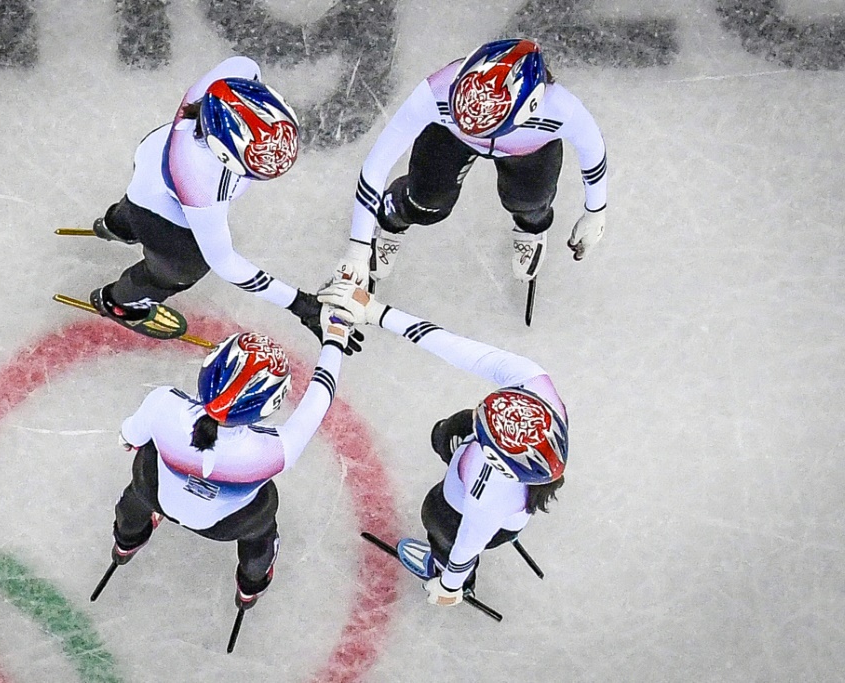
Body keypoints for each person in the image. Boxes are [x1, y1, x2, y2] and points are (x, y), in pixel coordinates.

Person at [319, 278, 568, 606]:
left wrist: (450, 584)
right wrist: (377, 312)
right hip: (481, 481)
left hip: (465, 511)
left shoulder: (488, 495)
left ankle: (438, 564)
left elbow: (466, 546)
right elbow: (457, 348)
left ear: (494, 460)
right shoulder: (533, 383)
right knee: (446, 432)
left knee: (437, 519)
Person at [89, 55, 357, 351]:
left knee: (139, 203)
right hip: (161, 209)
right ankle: (120, 302)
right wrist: (300, 304)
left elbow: (248, 68)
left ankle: (118, 224)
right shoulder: (200, 181)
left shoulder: (230, 80)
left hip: (151, 158)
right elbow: (225, 263)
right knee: (181, 268)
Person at [108, 306, 353, 611]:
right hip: (226, 526)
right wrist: (335, 336)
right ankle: (251, 584)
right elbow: (321, 396)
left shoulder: (163, 403)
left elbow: (129, 437)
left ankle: (127, 540)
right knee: (260, 530)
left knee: (141, 482)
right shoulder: (274, 451)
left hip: (157, 495)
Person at [333, 38, 608, 288]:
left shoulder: (563, 110)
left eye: (486, 125)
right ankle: (394, 215)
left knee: (529, 203)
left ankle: (530, 227)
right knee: (426, 203)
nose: (472, 128)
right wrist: (358, 248)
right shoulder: (437, 91)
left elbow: (593, 152)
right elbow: (376, 166)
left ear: (530, 107)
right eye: (460, 112)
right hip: (451, 139)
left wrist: (596, 212)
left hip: (526, 150)